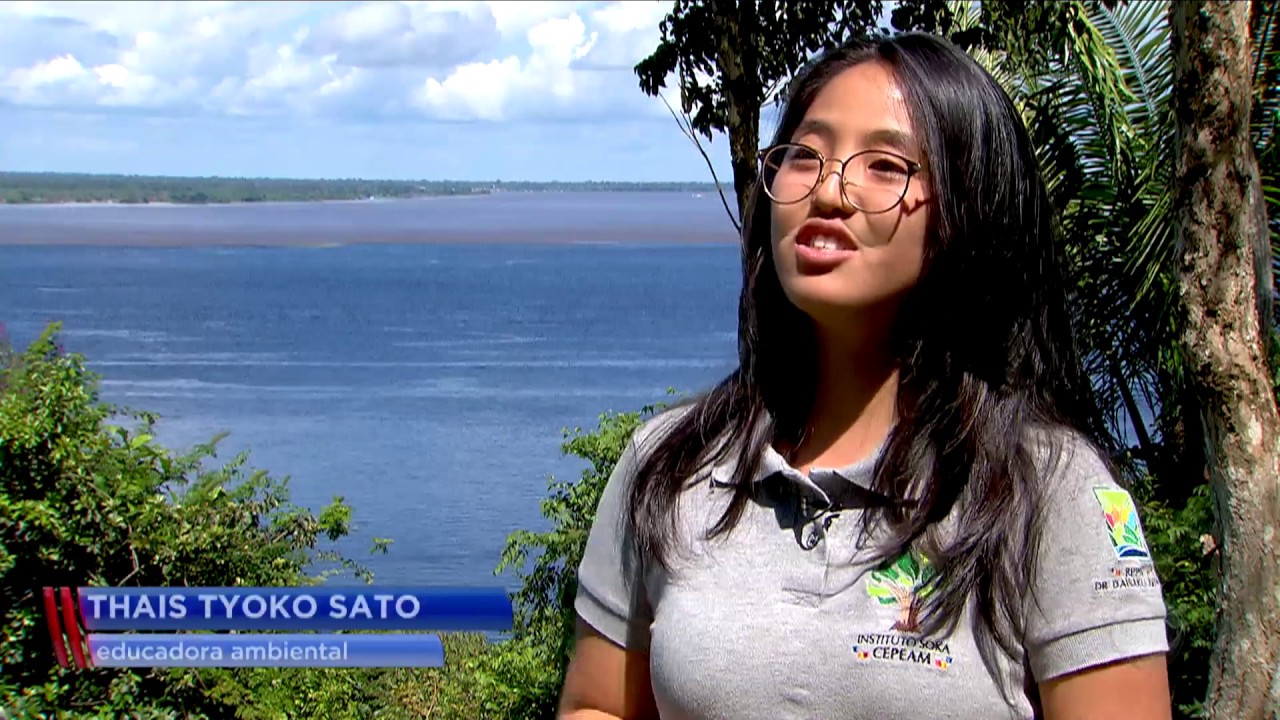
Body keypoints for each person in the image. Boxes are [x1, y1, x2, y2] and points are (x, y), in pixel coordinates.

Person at [558, 31, 1171, 720]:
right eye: (805, 155)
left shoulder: (1046, 491)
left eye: (884, 165)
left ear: (969, 208)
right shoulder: (671, 468)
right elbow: (599, 706)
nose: (830, 190)